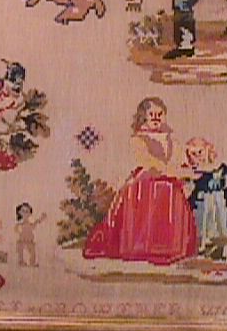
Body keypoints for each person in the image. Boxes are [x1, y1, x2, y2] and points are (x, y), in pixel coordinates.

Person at [83, 97, 198, 265]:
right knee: (149, 197)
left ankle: (168, 246)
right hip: (146, 180)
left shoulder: (170, 139)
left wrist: (184, 167)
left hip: (169, 180)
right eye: (152, 114)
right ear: (144, 116)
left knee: (173, 196)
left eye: (160, 114)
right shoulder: (139, 139)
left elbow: (178, 157)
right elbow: (149, 163)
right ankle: (142, 246)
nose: (156, 118)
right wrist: (173, 172)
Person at [183, 137, 227, 253]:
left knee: (222, 222)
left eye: (200, 152)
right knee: (201, 224)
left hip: (220, 200)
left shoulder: (219, 168)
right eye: (193, 154)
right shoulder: (194, 172)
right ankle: (203, 245)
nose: (198, 156)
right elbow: (187, 185)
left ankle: (223, 245)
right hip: (201, 201)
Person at [15, 202, 47, 267]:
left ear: (30, 213)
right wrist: (18, 229)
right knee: (20, 251)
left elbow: (36, 223)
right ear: (19, 212)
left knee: (32, 251)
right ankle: (21, 261)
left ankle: (32, 262)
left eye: (27, 211)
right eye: (23, 211)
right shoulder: (20, 223)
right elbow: (16, 229)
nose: (25, 213)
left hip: (30, 240)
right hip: (22, 240)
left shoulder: (29, 223)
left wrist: (41, 218)